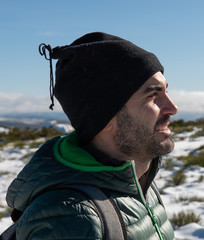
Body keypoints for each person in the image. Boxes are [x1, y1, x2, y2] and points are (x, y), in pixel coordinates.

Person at [5, 32, 178, 240]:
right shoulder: (70, 219)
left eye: (166, 91)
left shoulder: (137, 182)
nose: (173, 108)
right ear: (106, 118)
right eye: (153, 95)